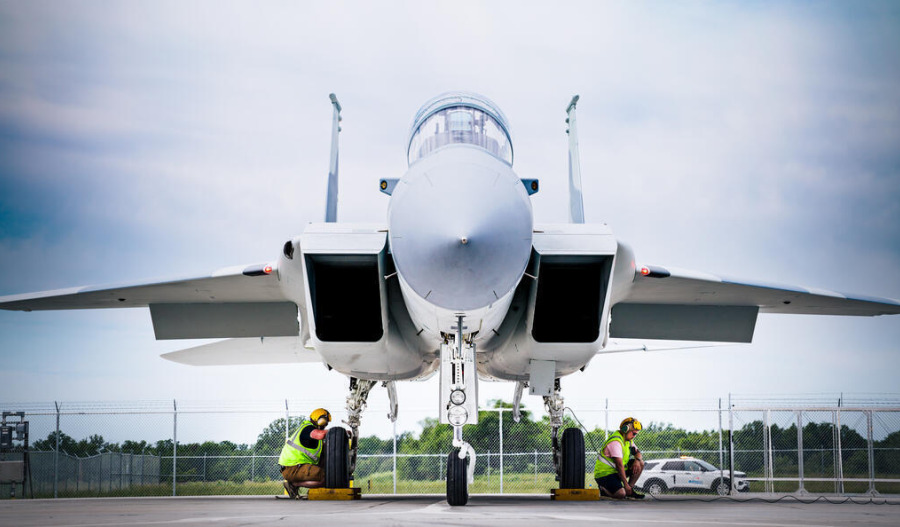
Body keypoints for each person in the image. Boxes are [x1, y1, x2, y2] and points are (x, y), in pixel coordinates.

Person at [279, 408, 331, 499]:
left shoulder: (312, 434)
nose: (325, 424)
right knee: (327, 478)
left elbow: (325, 448)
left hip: (296, 466)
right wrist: (337, 431)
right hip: (292, 468)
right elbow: (320, 434)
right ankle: (293, 484)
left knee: (330, 473)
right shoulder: (308, 429)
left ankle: (295, 484)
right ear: (319, 420)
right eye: (325, 422)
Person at [594, 417, 645, 499]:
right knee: (621, 494)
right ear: (625, 429)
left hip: (616, 472)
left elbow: (638, 453)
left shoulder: (628, 441)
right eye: (634, 433)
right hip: (605, 474)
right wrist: (626, 485)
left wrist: (637, 460)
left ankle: (629, 491)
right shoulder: (616, 441)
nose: (634, 436)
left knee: (641, 463)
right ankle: (603, 489)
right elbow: (619, 465)